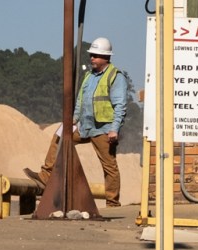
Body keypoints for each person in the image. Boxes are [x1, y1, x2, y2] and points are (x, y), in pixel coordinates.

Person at [37, 36, 135, 203]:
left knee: (109, 167)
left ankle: (112, 202)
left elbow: (120, 106)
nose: (92, 58)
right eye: (91, 55)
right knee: (59, 136)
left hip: (104, 129)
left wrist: (114, 129)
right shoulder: (89, 76)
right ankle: (46, 175)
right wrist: (73, 120)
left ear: (106, 57)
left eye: (95, 55)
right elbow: (81, 101)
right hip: (85, 126)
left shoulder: (115, 77)